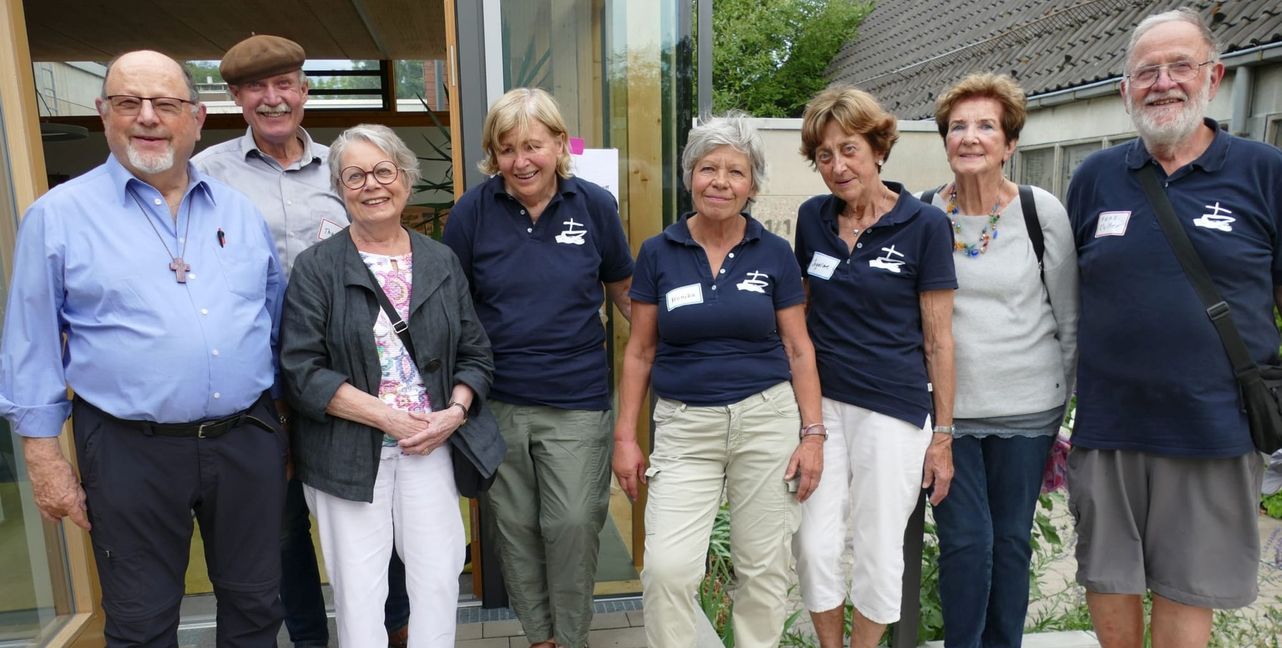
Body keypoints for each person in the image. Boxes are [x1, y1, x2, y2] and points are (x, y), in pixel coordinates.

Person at [0, 50, 287, 646]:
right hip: (130, 448)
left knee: (258, 604)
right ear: (104, 113)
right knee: (140, 617)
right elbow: (30, 345)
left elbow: (274, 320)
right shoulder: (57, 217)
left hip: (246, 439)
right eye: (129, 103)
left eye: (166, 104)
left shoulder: (240, 212)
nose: (148, 118)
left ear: (198, 118)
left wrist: (284, 424)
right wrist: (45, 460)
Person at [1065, 8, 1282, 647]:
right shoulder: (1095, 178)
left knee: (1188, 585)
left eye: (1180, 66)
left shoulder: (1263, 172)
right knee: (1108, 576)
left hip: (1214, 424)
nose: (1164, 83)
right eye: (1147, 72)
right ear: (1123, 90)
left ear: (1213, 77)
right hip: (1109, 424)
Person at [192, 33, 411, 648]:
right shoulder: (207, 175)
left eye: (283, 83)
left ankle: (393, 632)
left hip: (348, 384)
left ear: (304, 90)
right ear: (234, 97)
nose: (272, 98)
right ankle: (313, 640)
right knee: (284, 528)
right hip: (259, 389)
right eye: (256, 88)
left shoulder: (345, 170)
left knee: (373, 513)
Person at [612, 113, 825, 648]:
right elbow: (639, 352)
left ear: (752, 184)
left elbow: (799, 349)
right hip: (685, 427)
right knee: (667, 569)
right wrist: (625, 438)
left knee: (763, 569)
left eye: (736, 171)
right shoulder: (657, 252)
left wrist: (814, 433)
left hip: (766, 419)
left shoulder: (774, 252)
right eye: (709, 168)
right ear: (689, 176)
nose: (721, 182)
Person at [279, 123, 495, 648]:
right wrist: (388, 418)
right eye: (355, 175)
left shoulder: (440, 259)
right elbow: (301, 370)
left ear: (405, 178)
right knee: (360, 592)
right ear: (339, 187)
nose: (372, 185)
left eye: (383, 171)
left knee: (438, 579)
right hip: (348, 453)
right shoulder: (317, 267)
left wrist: (455, 413)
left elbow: (475, 353)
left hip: (431, 446)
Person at [442, 87, 633, 648]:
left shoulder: (594, 205)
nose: (520, 161)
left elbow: (623, 291)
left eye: (532, 145)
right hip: (496, 402)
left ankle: (569, 638)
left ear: (558, 143)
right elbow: (453, 305)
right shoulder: (472, 212)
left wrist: (677, 348)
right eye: (506, 149)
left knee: (572, 524)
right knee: (517, 529)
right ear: (492, 154)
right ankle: (540, 638)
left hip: (576, 399)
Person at [791, 85, 957, 648]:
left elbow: (939, 340)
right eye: (824, 155)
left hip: (893, 408)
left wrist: (944, 435)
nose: (838, 167)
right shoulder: (811, 219)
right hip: (821, 407)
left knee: (879, 545)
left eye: (849, 150)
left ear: (878, 148)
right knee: (812, 543)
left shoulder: (925, 225)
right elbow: (803, 314)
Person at [923, 73, 1078, 648]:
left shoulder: (1042, 213)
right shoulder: (921, 215)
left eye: (986, 126)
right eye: (958, 127)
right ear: (945, 141)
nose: (970, 137)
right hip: (949, 418)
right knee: (966, 541)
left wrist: (1060, 405)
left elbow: (1069, 319)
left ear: (1009, 143)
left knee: (1011, 542)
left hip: (1027, 413)